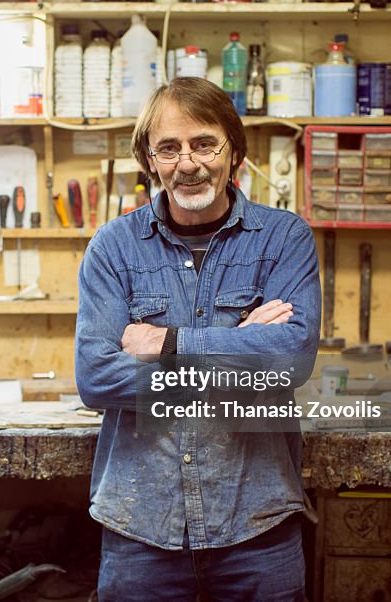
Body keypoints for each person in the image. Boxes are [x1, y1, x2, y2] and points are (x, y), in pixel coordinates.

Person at [74, 77, 321, 601]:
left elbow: (292, 358)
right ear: (150, 161)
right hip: (141, 524)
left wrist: (167, 344)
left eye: (205, 143)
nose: (188, 163)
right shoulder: (113, 248)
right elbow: (97, 378)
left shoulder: (284, 238)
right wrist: (240, 347)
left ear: (235, 153)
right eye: (168, 148)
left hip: (257, 522)